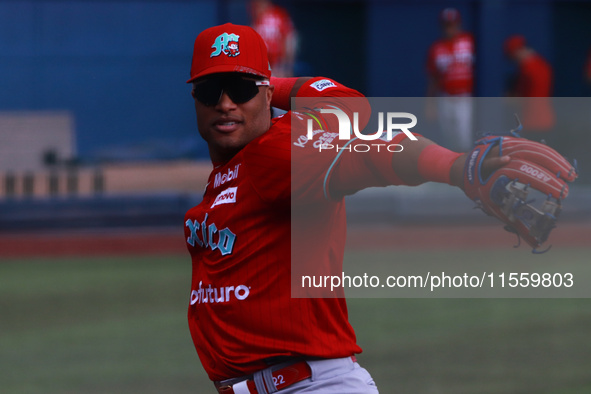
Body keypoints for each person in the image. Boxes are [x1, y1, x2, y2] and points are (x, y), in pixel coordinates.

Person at [184, 23, 532, 394]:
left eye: (240, 89)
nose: (224, 103)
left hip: (307, 386)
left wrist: (454, 167)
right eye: (210, 91)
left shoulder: (279, 151)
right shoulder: (230, 171)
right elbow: (348, 103)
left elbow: (369, 156)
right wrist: (259, 85)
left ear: (268, 95)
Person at [425, 8, 475, 152]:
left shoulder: (469, 41)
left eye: (453, 25)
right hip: (445, 97)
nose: (450, 29)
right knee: (448, 137)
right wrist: (430, 104)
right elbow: (433, 78)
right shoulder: (437, 48)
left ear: (459, 24)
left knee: (464, 136)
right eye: (446, 25)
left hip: (465, 96)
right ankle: (452, 168)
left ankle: (466, 167)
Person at [504, 34, 554, 133]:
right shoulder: (542, 64)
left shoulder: (528, 69)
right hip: (545, 119)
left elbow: (523, 97)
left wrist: (509, 99)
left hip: (532, 121)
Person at [249, 0, 297, 77]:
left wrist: (287, 65)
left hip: (278, 62)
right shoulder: (257, 18)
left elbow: (289, 38)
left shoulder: (279, 14)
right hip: (263, 63)